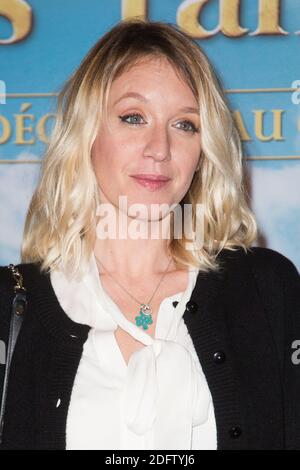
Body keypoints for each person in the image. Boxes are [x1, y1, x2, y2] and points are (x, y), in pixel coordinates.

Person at [0, 18, 299, 450]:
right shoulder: (11, 305)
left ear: (204, 149)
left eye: (185, 124)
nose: (159, 149)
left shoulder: (267, 288)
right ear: (87, 134)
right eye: (133, 117)